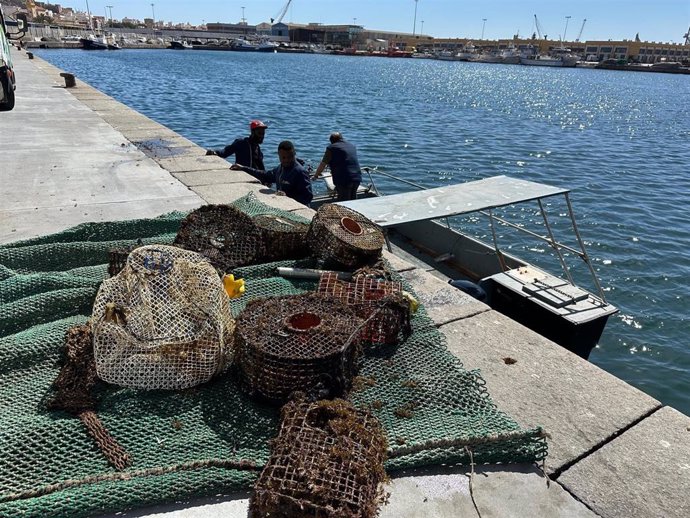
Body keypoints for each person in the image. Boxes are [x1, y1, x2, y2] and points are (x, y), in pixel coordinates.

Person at [232, 141, 313, 207]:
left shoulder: (300, 172)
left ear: (294, 154)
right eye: (283, 157)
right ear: (279, 155)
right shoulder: (279, 169)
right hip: (283, 205)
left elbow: (308, 197)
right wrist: (243, 168)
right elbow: (264, 174)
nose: (287, 160)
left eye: (290, 156)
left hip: (297, 208)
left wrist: (288, 196)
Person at [313, 132, 362, 201]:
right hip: (357, 177)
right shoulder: (351, 145)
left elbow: (323, 164)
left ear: (331, 141)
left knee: (344, 202)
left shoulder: (331, 148)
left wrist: (315, 176)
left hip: (344, 180)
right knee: (353, 200)